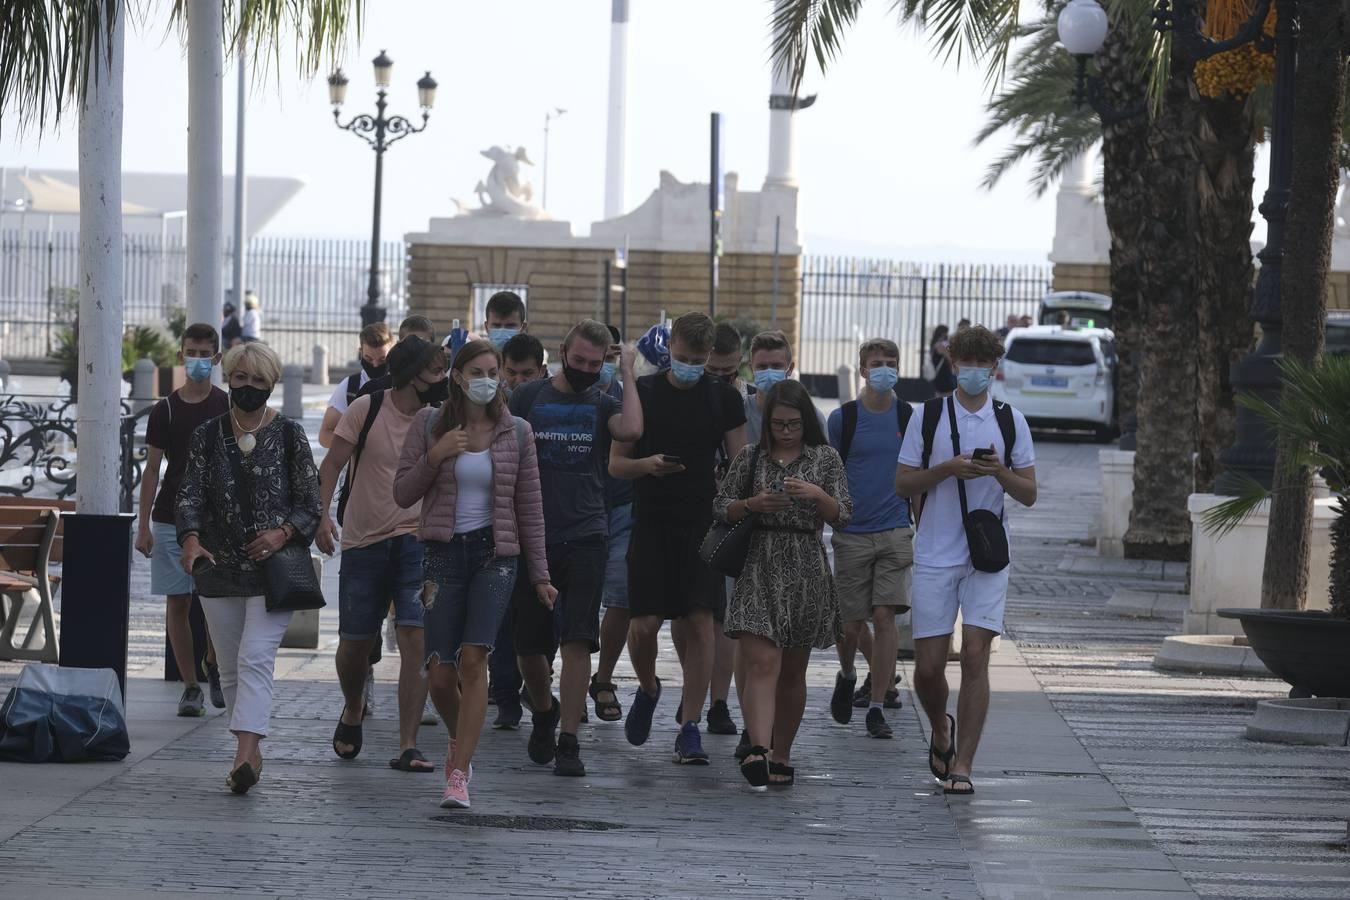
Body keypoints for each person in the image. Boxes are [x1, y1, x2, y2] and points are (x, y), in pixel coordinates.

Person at [395, 339, 555, 810]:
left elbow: (531, 508)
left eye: (495, 371)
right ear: (459, 377)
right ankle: (458, 741)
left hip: (495, 555)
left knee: (473, 660)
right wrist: (437, 454)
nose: (489, 380)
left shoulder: (518, 433)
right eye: (478, 371)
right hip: (441, 555)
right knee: (441, 675)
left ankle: (459, 774)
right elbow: (403, 492)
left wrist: (540, 575)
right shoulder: (429, 424)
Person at [895, 325, 1037, 796]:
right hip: (936, 551)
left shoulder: (1011, 420)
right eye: (967, 365)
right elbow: (903, 484)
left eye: (984, 366)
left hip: (987, 556)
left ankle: (964, 765)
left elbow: (1030, 493)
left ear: (994, 369)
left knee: (976, 655)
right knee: (929, 668)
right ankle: (940, 727)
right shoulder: (928, 416)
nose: (976, 373)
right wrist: (948, 469)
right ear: (953, 366)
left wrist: (1000, 471)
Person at [177, 342, 321, 794]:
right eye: (241, 378)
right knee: (232, 668)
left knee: (255, 656)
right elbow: (189, 496)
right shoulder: (207, 435)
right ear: (229, 379)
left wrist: (281, 533)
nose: (249, 387)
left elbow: (311, 503)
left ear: (271, 384)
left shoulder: (291, 434)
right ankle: (251, 751)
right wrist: (191, 540)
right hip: (217, 568)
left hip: (272, 570)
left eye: (259, 381)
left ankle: (243, 751)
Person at [610, 312, 746, 765]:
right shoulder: (646, 393)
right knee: (643, 625)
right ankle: (648, 687)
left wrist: (731, 492)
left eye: (697, 359)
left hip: (701, 523)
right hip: (651, 519)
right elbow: (616, 464)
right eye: (682, 357)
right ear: (670, 350)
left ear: (709, 357)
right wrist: (647, 466)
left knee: (702, 622)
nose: (688, 365)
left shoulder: (723, 398)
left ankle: (690, 726)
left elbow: (738, 464)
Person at [509, 319, 642, 777]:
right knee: (529, 645)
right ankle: (544, 711)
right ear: (562, 352)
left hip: (586, 533)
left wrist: (627, 371)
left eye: (594, 362)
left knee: (577, 639)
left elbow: (632, 430)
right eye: (578, 359)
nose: (585, 368)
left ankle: (569, 740)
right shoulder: (528, 398)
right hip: (533, 535)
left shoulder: (603, 402)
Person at [316, 336, 446, 774]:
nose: (441, 379)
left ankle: (408, 743)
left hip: (418, 542)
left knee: (416, 639)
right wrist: (320, 517)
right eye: (434, 371)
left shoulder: (439, 418)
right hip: (364, 541)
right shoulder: (366, 408)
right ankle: (353, 708)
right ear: (411, 374)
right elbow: (332, 464)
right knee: (355, 644)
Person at [715, 380, 850, 790]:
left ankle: (782, 753)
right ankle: (757, 747)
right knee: (761, 662)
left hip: (805, 563)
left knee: (793, 671)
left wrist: (815, 494)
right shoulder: (750, 457)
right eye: (777, 424)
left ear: (805, 420)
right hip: (759, 560)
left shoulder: (825, 458)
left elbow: (844, 514)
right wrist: (755, 504)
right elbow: (721, 506)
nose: (785, 431)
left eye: (793, 424)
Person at [135, 323, 231, 716]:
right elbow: (152, 470)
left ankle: (215, 663)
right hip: (170, 517)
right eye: (191, 352)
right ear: (180, 356)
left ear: (216, 358)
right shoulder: (166, 410)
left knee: (213, 601)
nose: (197, 360)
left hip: (215, 521)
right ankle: (190, 685)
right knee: (178, 601)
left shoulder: (227, 405)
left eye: (204, 354)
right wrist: (142, 525)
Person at [826, 338, 913, 740]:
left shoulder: (908, 417)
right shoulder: (843, 418)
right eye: (876, 363)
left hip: (895, 529)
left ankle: (878, 705)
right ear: (862, 370)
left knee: (884, 617)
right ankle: (847, 674)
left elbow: (917, 474)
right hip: (852, 532)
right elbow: (830, 475)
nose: (884, 369)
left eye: (890, 363)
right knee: (850, 624)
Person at [487, 330, 549, 728]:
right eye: (512, 372)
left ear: (542, 370)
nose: (518, 381)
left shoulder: (549, 404)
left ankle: (537, 684)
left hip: (543, 523)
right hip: (498, 527)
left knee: (541, 616)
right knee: (501, 616)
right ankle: (506, 693)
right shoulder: (489, 409)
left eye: (527, 374)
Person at [591, 325, 637, 726]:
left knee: (620, 596)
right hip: (574, 511)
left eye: (610, 357)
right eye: (595, 358)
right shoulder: (563, 397)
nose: (601, 366)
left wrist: (628, 373)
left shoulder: (629, 398)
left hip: (622, 507)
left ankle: (603, 677)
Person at [320, 323, 396, 449]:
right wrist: (360, 445)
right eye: (369, 358)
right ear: (360, 352)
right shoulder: (350, 387)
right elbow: (325, 435)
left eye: (382, 359)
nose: (375, 365)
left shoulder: (403, 384)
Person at [929, 326, 956, 398]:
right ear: (942, 334)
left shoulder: (934, 344)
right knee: (947, 395)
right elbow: (950, 358)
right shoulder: (940, 345)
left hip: (940, 374)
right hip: (944, 374)